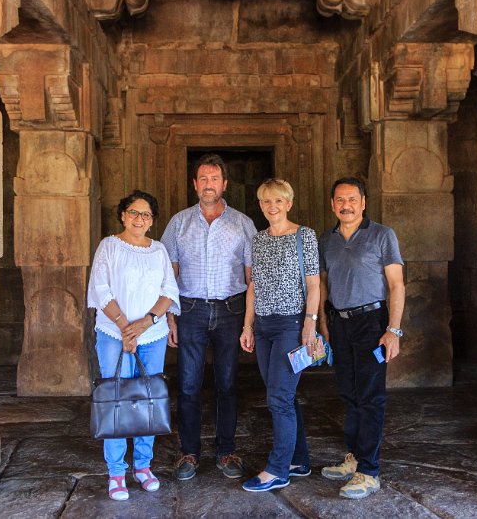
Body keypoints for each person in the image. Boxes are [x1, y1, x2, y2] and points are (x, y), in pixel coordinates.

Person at [162, 153, 257, 481]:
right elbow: (168, 275)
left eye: (214, 179)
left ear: (224, 184)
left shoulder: (243, 223)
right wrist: (170, 319)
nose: (208, 185)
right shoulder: (179, 222)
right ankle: (188, 452)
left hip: (231, 310)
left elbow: (251, 278)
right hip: (190, 310)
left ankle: (226, 450)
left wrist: (248, 322)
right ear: (194, 184)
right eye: (202, 179)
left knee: (227, 384)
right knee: (188, 385)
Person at [86, 190, 180, 502]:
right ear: (123, 215)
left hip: (150, 336)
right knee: (116, 398)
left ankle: (143, 466)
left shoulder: (159, 250)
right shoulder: (109, 246)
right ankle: (116, 472)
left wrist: (145, 323)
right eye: (134, 212)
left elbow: (169, 290)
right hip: (114, 333)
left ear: (152, 221)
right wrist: (126, 327)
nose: (139, 219)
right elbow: (101, 289)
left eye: (146, 214)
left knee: (146, 399)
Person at [317, 176, 406, 500]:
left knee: (370, 397)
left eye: (352, 199)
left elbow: (396, 285)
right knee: (348, 393)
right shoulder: (327, 240)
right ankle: (354, 458)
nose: (346, 205)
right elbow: (324, 283)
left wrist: (392, 330)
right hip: (340, 323)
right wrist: (324, 324)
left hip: (372, 322)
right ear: (332, 204)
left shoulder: (382, 235)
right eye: (340, 200)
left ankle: (369, 471)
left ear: (363, 202)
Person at [239, 178, 321, 492]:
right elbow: (253, 287)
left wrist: (309, 323)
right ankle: (299, 460)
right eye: (265, 202)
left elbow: (314, 284)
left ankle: (277, 469)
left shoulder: (304, 236)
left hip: (291, 324)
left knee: (279, 398)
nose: (271, 207)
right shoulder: (257, 240)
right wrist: (248, 326)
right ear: (260, 205)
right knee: (282, 395)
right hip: (263, 326)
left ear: (288, 203)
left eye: (278, 201)